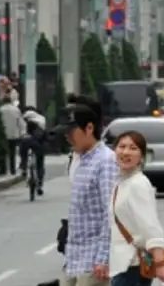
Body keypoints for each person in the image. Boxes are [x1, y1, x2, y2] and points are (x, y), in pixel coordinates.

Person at [109, 131, 164, 286]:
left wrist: (160, 263)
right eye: (121, 147)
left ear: (141, 157)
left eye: (133, 148)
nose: (126, 152)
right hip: (123, 265)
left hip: (132, 267)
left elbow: (150, 225)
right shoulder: (121, 182)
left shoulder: (138, 184)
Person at [62, 102, 118, 286]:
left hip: (93, 261)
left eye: (71, 132)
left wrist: (102, 258)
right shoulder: (81, 160)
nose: (67, 137)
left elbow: (110, 213)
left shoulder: (105, 161)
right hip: (74, 258)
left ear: (89, 128)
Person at [21, 107, 47, 194]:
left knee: (23, 153)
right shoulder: (42, 119)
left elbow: (21, 133)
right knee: (40, 162)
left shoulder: (23, 119)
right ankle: (39, 183)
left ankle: (24, 167)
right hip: (38, 142)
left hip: (26, 141)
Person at [0, 95, 26, 175]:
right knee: (12, 153)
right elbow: (20, 122)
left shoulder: (0, 110)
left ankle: (3, 169)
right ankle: (12, 169)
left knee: (3, 153)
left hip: (4, 134)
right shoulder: (16, 109)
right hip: (14, 134)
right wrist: (22, 133)